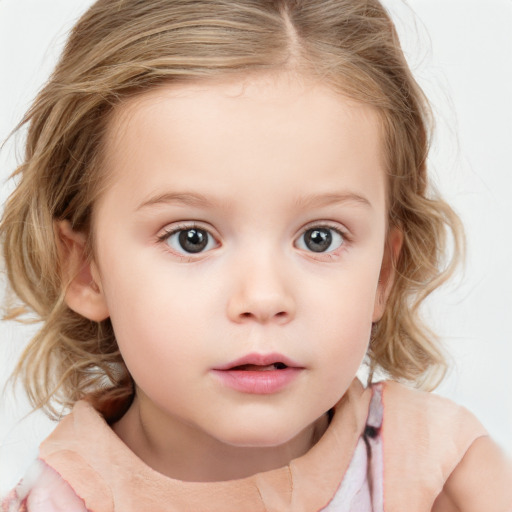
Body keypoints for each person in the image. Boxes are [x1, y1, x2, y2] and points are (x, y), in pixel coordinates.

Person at [1, 0, 511, 510]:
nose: (264, 298)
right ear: (86, 270)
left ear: (383, 273)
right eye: (191, 238)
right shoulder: (53, 503)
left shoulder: (442, 474)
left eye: (320, 238)